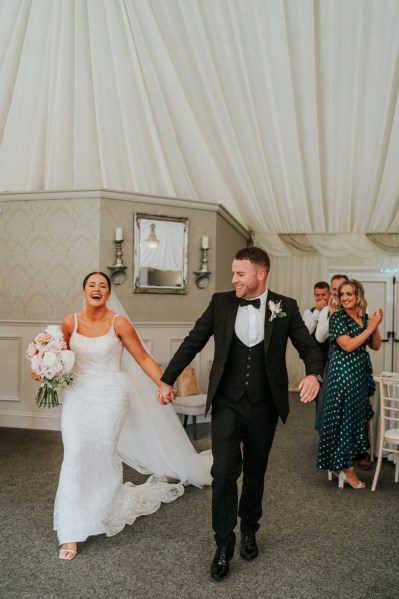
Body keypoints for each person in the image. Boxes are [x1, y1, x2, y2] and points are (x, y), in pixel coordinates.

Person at [157, 247, 324, 580]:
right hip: (228, 402)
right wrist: (166, 378)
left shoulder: (285, 307)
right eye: (233, 273)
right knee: (223, 472)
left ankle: (249, 529)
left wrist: (313, 373)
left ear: (261, 273)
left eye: (240, 273)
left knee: (256, 471)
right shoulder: (221, 302)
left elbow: (308, 346)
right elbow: (194, 340)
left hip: (265, 404)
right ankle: (223, 543)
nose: (233, 279)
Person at [55, 272, 211, 561]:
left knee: (102, 454)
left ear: (109, 293)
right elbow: (57, 356)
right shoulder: (70, 322)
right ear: (83, 291)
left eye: (103, 285)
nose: (97, 289)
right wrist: (44, 365)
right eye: (92, 285)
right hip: (77, 398)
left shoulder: (119, 323)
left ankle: (102, 509)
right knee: (75, 455)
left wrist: (163, 383)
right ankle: (70, 529)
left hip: (110, 397)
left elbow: (141, 357)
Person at [316, 280, 383, 489]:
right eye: (342, 294)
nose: (345, 297)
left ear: (358, 297)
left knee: (354, 421)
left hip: (359, 374)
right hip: (343, 374)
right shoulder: (337, 317)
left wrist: (375, 326)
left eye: (349, 294)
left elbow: (375, 345)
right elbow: (347, 345)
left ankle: (343, 464)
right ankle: (347, 469)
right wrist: (368, 328)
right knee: (343, 420)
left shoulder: (362, 318)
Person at [313, 274, 348, 432]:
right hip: (333, 364)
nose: (338, 292)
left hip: (352, 364)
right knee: (329, 405)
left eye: (341, 288)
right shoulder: (326, 310)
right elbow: (320, 337)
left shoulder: (358, 308)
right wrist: (333, 316)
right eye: (334, 289)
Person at [302, 281, 331, 365]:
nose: (320, 298)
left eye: (323, 294)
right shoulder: (308, 312)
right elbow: (306, 333)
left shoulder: (334, 312)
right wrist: (317, 310)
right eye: (317, 295)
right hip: (314, 357)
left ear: (329, 294)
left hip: (331, 356)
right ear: (314, 295)